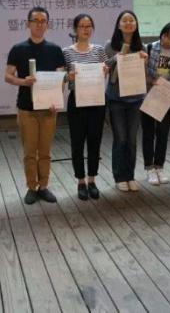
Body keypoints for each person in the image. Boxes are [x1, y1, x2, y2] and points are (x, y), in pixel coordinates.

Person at [6, 7, 66, 205]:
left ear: (47, 24)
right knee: (30, 152)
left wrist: (57, 99)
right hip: (26, 108)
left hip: (49, 109)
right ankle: (32, 187)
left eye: (43, 21)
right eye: (35, 20)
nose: (39, 24)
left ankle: (44, 186)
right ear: (28, 23)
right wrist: (24, 82)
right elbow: (8, 76)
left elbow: (61, 79)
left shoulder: (55, 50)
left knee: (46, 151)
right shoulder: (18, 49)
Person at [63, 14, 108, 200]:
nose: (85, 29)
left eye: (89, 26)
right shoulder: (66, 52)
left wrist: (105, 71)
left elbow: (104, 74)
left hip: (96, 100)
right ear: (75, 29)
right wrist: (68, 77)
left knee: (94, 142)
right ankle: (81, 181)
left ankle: (92, 180)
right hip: (77, 101)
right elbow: (62, 77)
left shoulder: (99, 50)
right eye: (82, 26)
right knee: (77, 143)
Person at [105, 10, 148, 192]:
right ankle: (119, 177)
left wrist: (145, 62)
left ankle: (130, 176)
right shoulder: (110, 45)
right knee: (120, 138)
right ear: (119, 25)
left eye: (132, 20)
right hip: (116, 99)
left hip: (135, 99)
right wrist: (116, 58)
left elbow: (145, 75)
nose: (129, 23)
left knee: (131, 139)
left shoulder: (142, 47)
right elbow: (105, 67)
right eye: (125, 20)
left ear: (136, 24)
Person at [141, 21, 170, 185]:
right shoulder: (149, 48)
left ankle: (159, 167)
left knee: (163, 134)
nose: (166, 40)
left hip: (166, 98)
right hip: (149, 96)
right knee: (148, 133)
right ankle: (149, 168)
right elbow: (142, 73)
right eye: (165, 35)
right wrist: (152, 80)